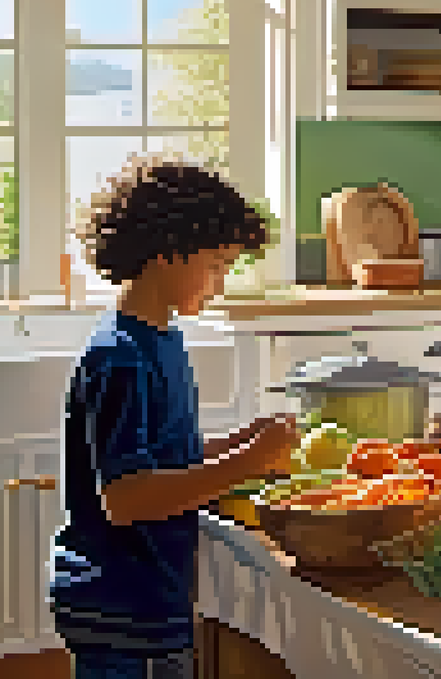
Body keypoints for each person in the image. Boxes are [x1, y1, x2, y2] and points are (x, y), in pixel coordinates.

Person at [48, 155, 297, 678]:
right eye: (216, 265)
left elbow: (164, 456)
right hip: (125, 602)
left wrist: (236, 443)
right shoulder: (121, 357)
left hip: (143, 595)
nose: (220, 283)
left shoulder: (158, 337)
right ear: (167, 252)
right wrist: (248, 462)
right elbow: (127, 498)